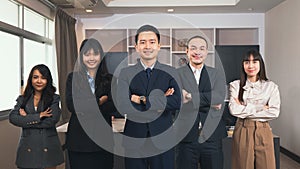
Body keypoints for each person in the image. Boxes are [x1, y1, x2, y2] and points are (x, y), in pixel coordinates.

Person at [116, 24, 181, 169]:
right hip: (134, 139)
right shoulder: (126, 73)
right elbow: (122, 105)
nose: (147, 46)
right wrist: (162, 100)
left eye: (152, 42)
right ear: (136, 47)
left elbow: (177, 102)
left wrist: (141, 99)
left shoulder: (170, 72)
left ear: (159, 46)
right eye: (143, 42)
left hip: (163, 138)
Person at [176, 35, 227, 169]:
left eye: (201, 48)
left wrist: (190, 97)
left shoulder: (216, 74)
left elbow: (218, 98)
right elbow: (177, 100)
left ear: (206, 52)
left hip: (212, 137)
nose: (197, 52)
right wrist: (208, 102)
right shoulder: (177, 74)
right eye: (193, 48)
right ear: (186, 51)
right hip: (185, 137)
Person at [65, 38, 115, 169]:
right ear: (81, 57)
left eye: (95, 54)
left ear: (101, 56)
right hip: (79, 140)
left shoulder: (110, 79)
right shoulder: (73, 78)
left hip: (103, 140)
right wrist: (99, 101)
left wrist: (85, 105)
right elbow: (72, 105)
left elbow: (113, 106)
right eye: (87, 54)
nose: (91, 58)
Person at [228, 49, 280, 169]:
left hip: (263, 130)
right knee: (242, 166)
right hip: (242, 129)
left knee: (267, 165)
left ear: (260, 64)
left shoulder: (271, 87)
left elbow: (274, 112)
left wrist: (244, 108)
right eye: (247, 62)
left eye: (254, 62)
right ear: (243, 65)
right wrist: (261, 107)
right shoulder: (235, 85)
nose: (250, 66)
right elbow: (234, 110)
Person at [9, 64, 64, 169]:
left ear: (48, 80)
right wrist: (39, 116)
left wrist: (26, 119)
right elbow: (13, 118)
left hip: (47, 146)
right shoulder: (22, 99)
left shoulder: (54, 98)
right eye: (35, 77)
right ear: (31, 79)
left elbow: (51, 121)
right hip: (28, 146)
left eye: (43, 78)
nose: (39, 81)